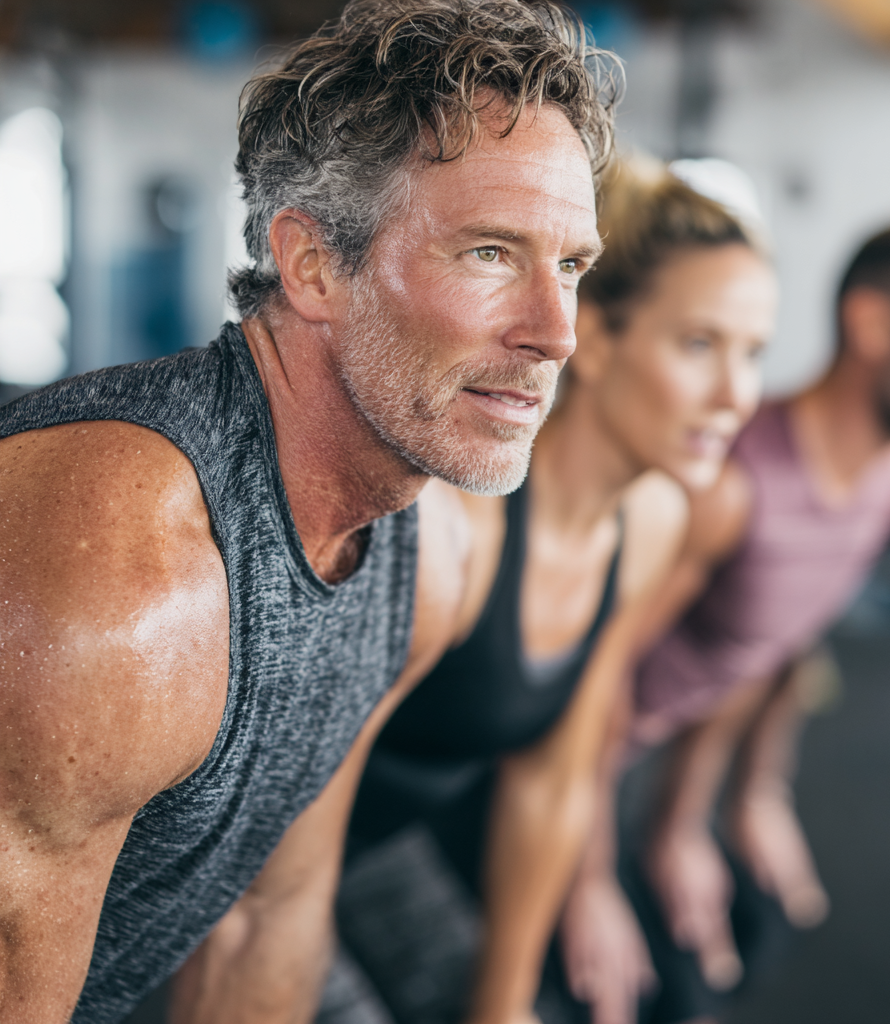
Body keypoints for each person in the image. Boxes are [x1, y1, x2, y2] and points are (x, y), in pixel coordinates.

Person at [0, 3, 616, 1020]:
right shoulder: (122, 584)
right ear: (314, 264)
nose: (556, 334)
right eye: (490, 253)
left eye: (571, 266)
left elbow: (263, 918)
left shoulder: (426, 555)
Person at [331, 154, 777, 1024]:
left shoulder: (652, 519)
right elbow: (293, 814)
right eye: (699, 345)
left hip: (397, 846)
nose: (737, 395)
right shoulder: (459, 526)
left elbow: (556, 776)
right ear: (598, 337)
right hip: (264, 866)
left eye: (753, 353)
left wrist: (500, 1005)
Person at [558, 221, 890, 1024]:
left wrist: (733, 802)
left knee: (754, 928)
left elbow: (766, 652)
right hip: (555, 769)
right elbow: (592, 684)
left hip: (643, 768)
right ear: (873, 324)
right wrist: (591, 877)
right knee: (639, 994)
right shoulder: (728, 488)